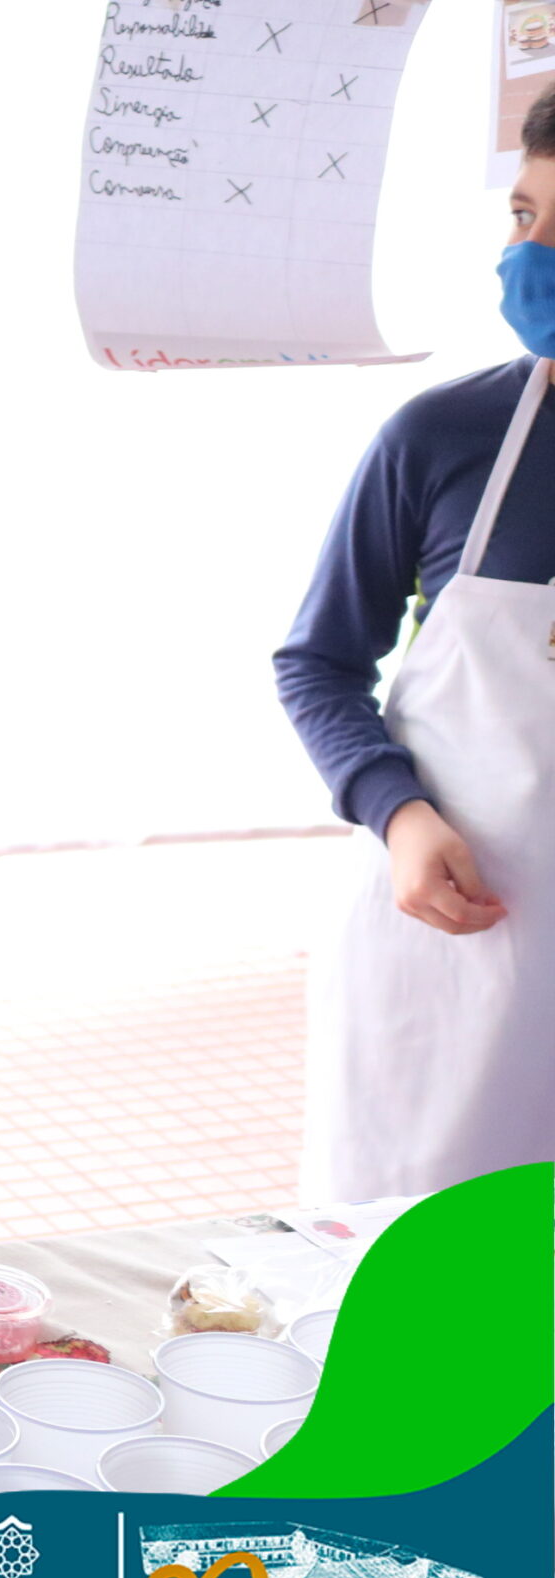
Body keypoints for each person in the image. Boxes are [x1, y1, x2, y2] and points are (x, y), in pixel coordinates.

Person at [276, 86, 555, 1200]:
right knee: (421, 1267)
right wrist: (397, 812)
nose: (532, 255)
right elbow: (319, 660)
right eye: (525, 217)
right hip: (443, 955)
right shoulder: (442, 437)